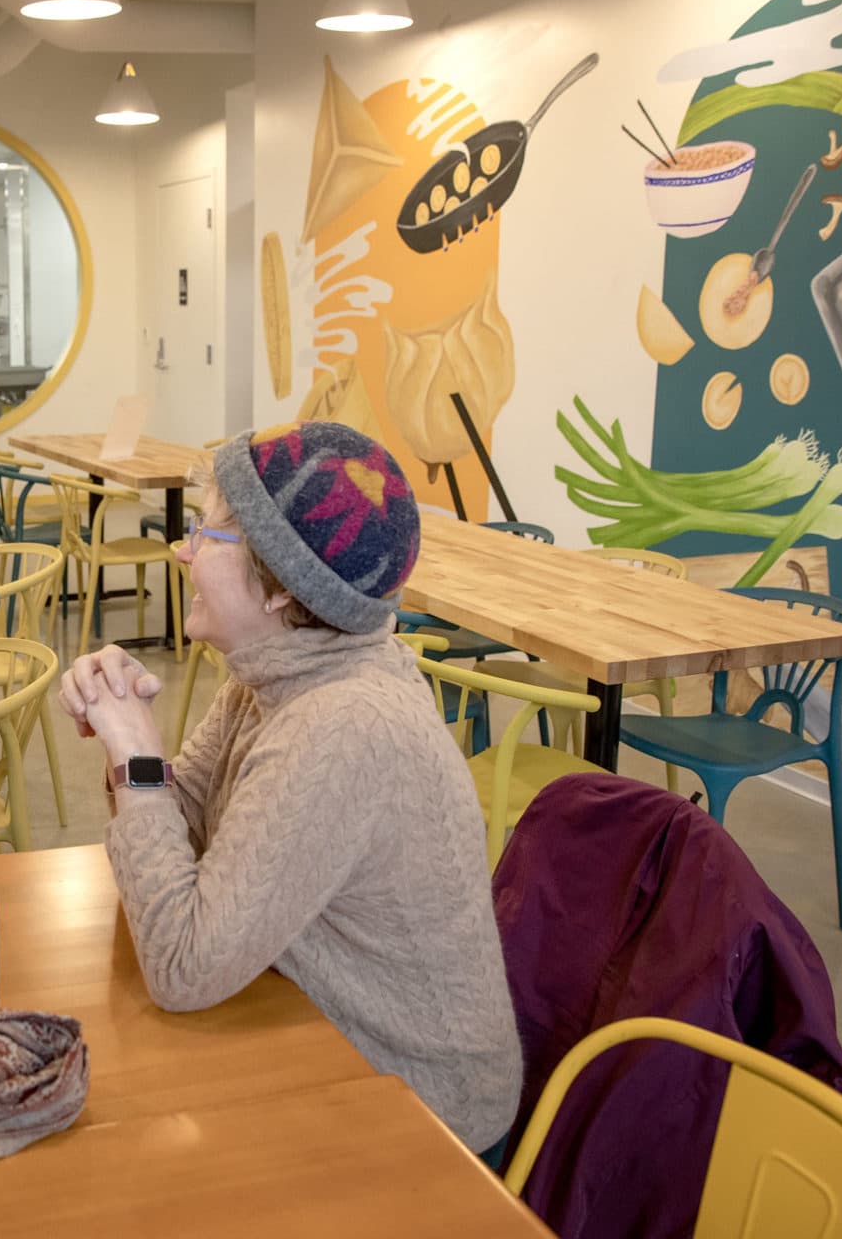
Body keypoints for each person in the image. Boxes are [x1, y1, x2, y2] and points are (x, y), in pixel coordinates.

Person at [56, 420, 522, 1152]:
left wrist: (139, 760)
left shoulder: (341, 726)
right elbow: (184, 826)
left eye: (209, 535)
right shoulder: (274, 673)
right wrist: (128, 739)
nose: (182, 549)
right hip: (319, 1035)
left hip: (424, 1119)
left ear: (281, 585)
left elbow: (182, 966)